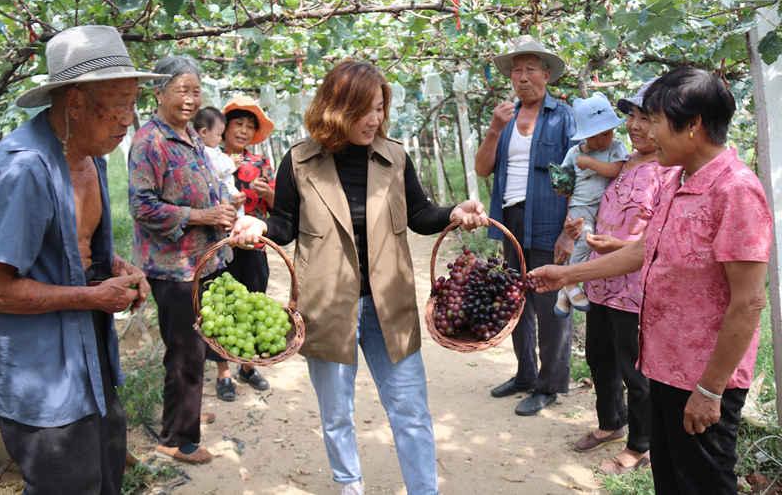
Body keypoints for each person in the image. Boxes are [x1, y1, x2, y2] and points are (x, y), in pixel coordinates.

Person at [231, 60, 488, 495]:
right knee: (336, 416)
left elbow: (422, 216)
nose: (376, 119)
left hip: (389, 304)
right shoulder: (299, 161)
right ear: (337, 108)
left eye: (381, 109)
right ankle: (350, 488)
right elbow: (285, 223)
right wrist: (259, 228)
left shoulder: (394, 158)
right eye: (366, 110)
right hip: (329, 307)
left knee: (410, 411)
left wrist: (453, 213)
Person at [529, 67, 772, 494]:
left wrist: (710, 390)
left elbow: (748, 303)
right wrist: (567, 274)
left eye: (655, 120)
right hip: (663, 365)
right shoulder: (679, 179)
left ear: (693, 124)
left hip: (701, 378)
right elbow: (644, 250)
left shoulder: (735, 191)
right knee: (671, 481)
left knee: (704, 484)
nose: (644, 131)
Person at [0, 25, 157, 494]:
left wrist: (116, 268)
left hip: (89, 362)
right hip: (41, 378)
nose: (128, 119)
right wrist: (90, 296)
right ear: (75, 103)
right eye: (119, 104)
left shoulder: (91, 157)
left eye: (133, 103)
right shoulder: (21, 170)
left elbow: (70, 246)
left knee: (105, 475)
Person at [129, 56, 237, 464]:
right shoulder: (149, 141)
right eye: (182, 90)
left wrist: (222, 207)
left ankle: (183, 416)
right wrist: (201, 216)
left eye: (196, 91)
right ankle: (176, 440)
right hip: (173, 267)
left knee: (193, 347)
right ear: (159, 94)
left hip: (201, 260)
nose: (191, 99)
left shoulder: (188, 134)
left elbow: (200, 187)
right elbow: (142, 207)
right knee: (185, 351)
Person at [568, 80, 668, 475]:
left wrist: (620, 244)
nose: (636, 126)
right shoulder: (625, 162)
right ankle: (611, 422)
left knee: (635, 368)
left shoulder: (669, 168)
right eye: (632, 116)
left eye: (647, 118)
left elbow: (661, 233)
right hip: (603, 281)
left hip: (635, 288)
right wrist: (582, 230)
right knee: (599, 356)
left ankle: (641, 444)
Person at [475, 35, 577, 416]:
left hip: (550, 218)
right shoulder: (505, 117)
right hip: (511, 219)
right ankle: (524, 374)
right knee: (515, 299)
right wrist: (494, 129)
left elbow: (577, 174)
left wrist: (569, 229)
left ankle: (549, 385)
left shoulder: (563, 117)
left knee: (550, 303)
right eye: (516, 70)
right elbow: (483, 168)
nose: (522, 77)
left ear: (546, 75)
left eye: (530, 69)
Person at [206, 96, 277, 401]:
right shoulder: (207, 156)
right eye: (239, 124)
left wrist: (269, 193)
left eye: (250, 126)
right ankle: (223, 373)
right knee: (220, 304)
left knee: (253, 299)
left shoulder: (260, 163)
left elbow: (278, 207)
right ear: (225, 128)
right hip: (219, 244)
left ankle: (247, 366)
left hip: (254, 243)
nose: (244, 131)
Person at [552, 93, 628, 317]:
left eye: (609, 132)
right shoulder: (574, 153)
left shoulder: (615, 147)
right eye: (601, 134)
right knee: (584, 242)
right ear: (587, 136)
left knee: (593, 250)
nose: (607, 137)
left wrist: (591, 164)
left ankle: (565, 292)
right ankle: (572, 281)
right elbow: (565, 184)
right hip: (581, 206)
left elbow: (616, 170)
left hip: (605, 209)